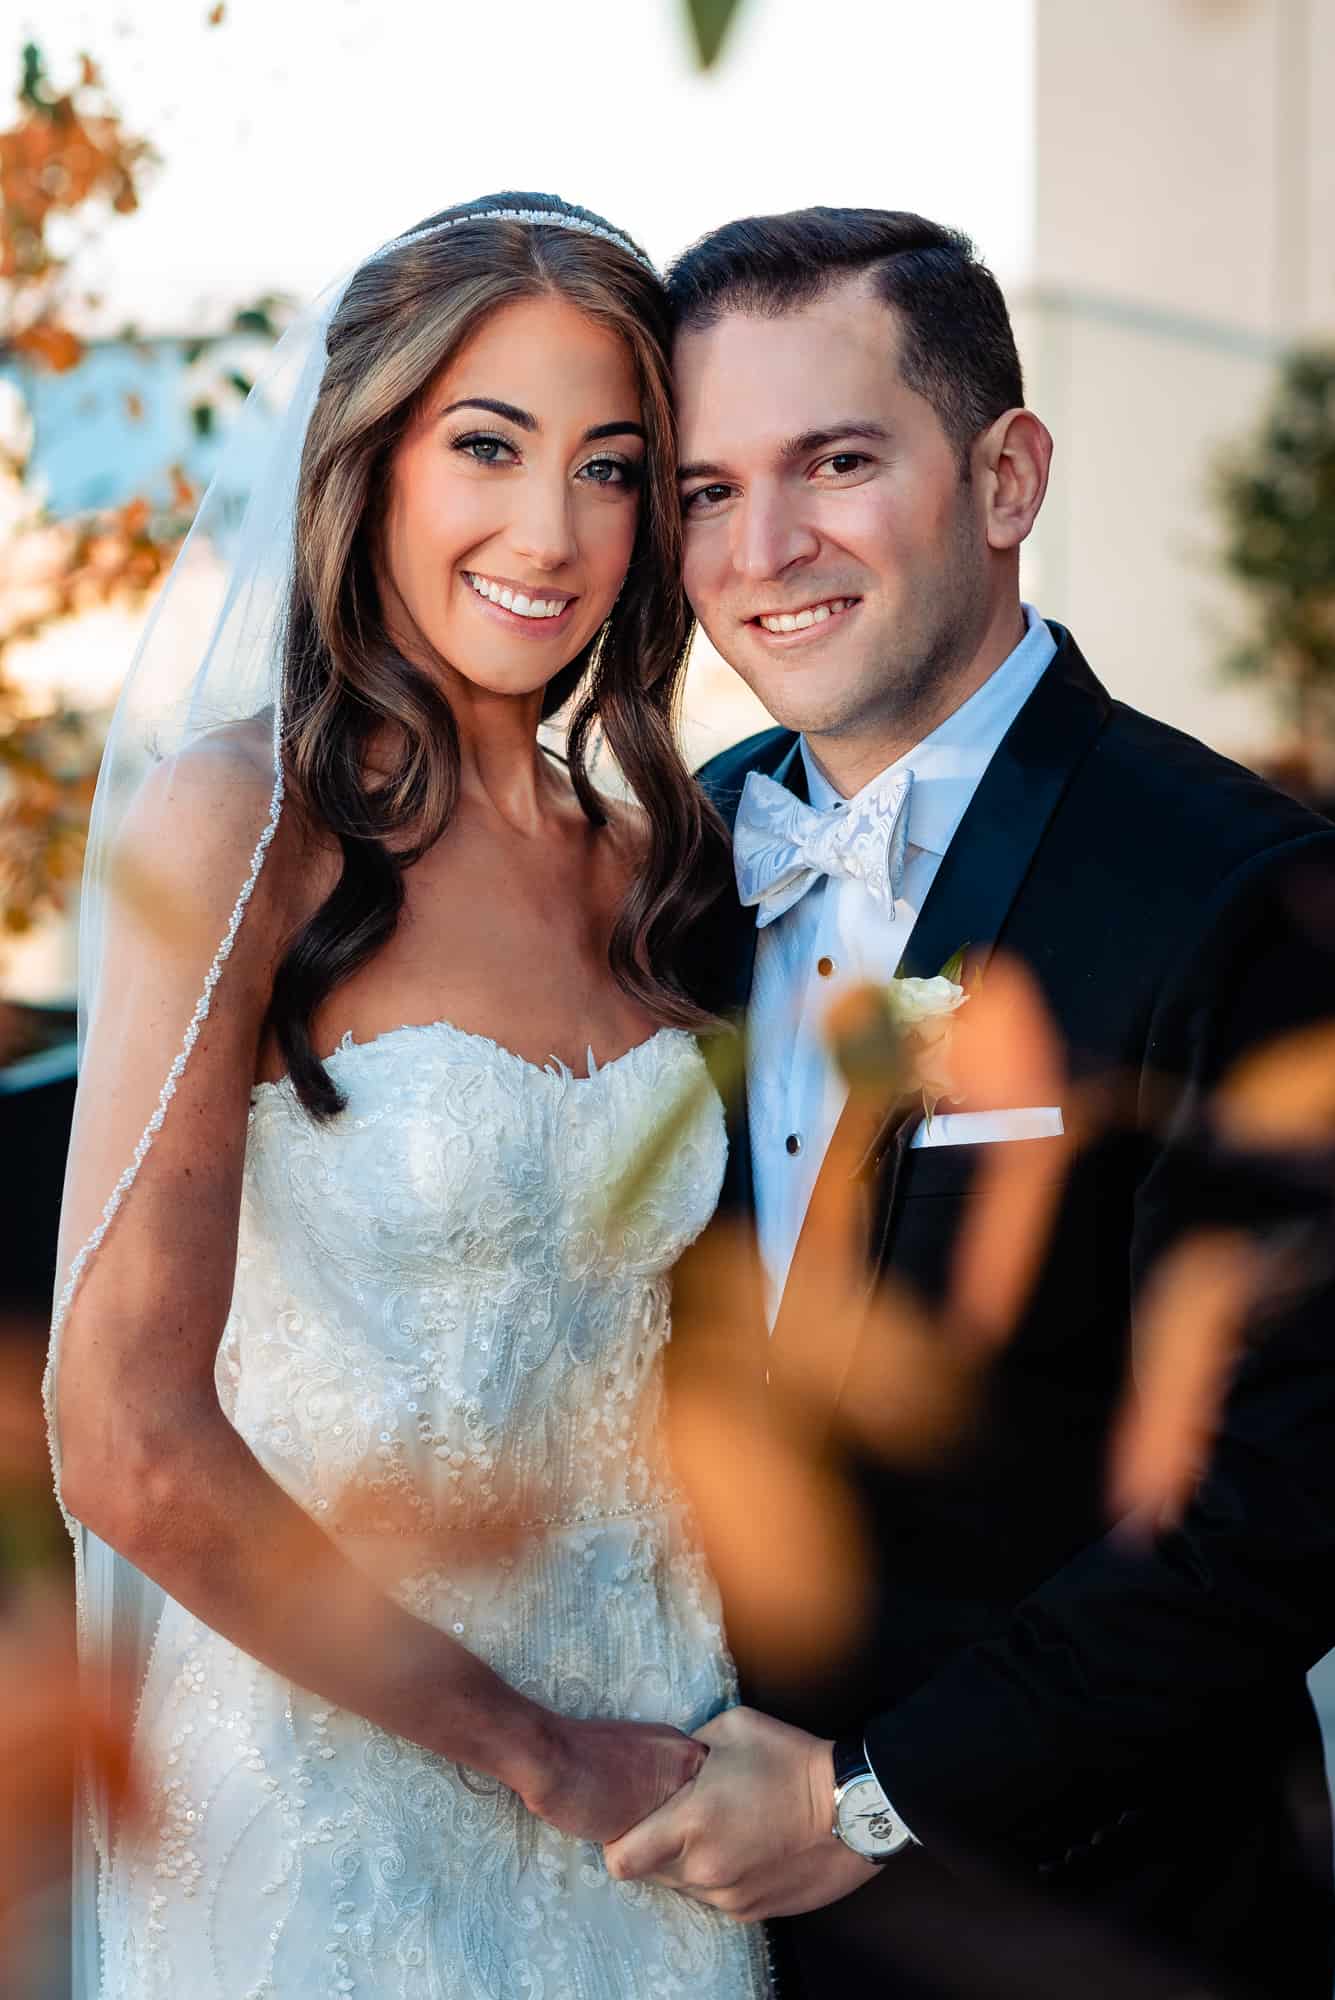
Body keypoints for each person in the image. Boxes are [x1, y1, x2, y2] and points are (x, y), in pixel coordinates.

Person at [45, 193, 773, 2000]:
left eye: (612, 468)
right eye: (487, 447)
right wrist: (532, 1749)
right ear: (364, 460)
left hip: (656, 1756)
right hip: (340, 1771)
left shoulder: (656, 864)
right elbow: (123, 1443)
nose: (552, 532)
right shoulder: (249, 825)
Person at [602, 207, 1335, 1999]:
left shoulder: (1243, 896)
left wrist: (870, 1802)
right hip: (679, 1920)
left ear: (1006, 476)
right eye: (704, 491)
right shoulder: (663, 872)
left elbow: (1280, 1505)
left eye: (836, 463)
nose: (766, 550)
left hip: (1099, 1921)